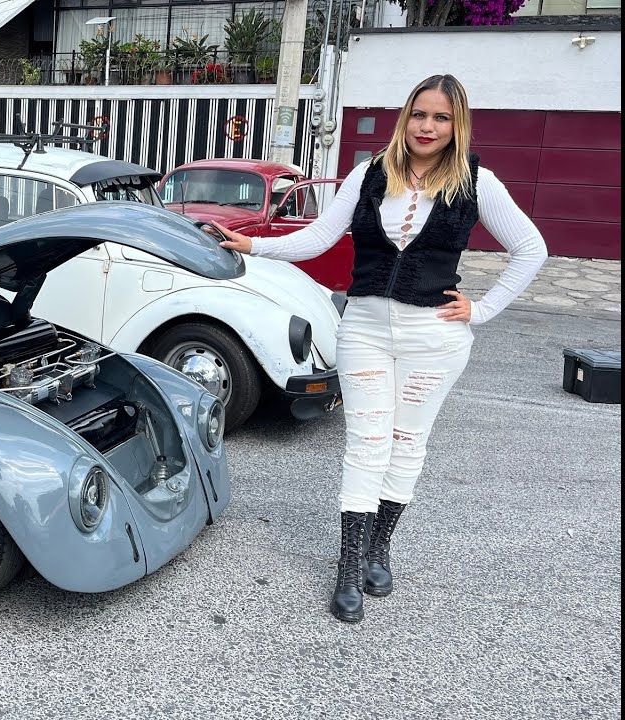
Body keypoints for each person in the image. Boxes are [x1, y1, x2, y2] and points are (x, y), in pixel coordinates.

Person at [212, 74, 548, 623]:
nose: (427, 126)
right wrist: (255, 245)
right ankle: (348, 568)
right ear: (405, 116)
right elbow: (320, 238)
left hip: (434, 337)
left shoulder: (475, 182)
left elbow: (531, 249)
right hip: (365, 328)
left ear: (456, 124)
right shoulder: (370, 174)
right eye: (420, 114)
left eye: (441, 118)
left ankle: (380, 548)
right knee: (366, 445)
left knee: (406, 443)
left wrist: (482, 309)